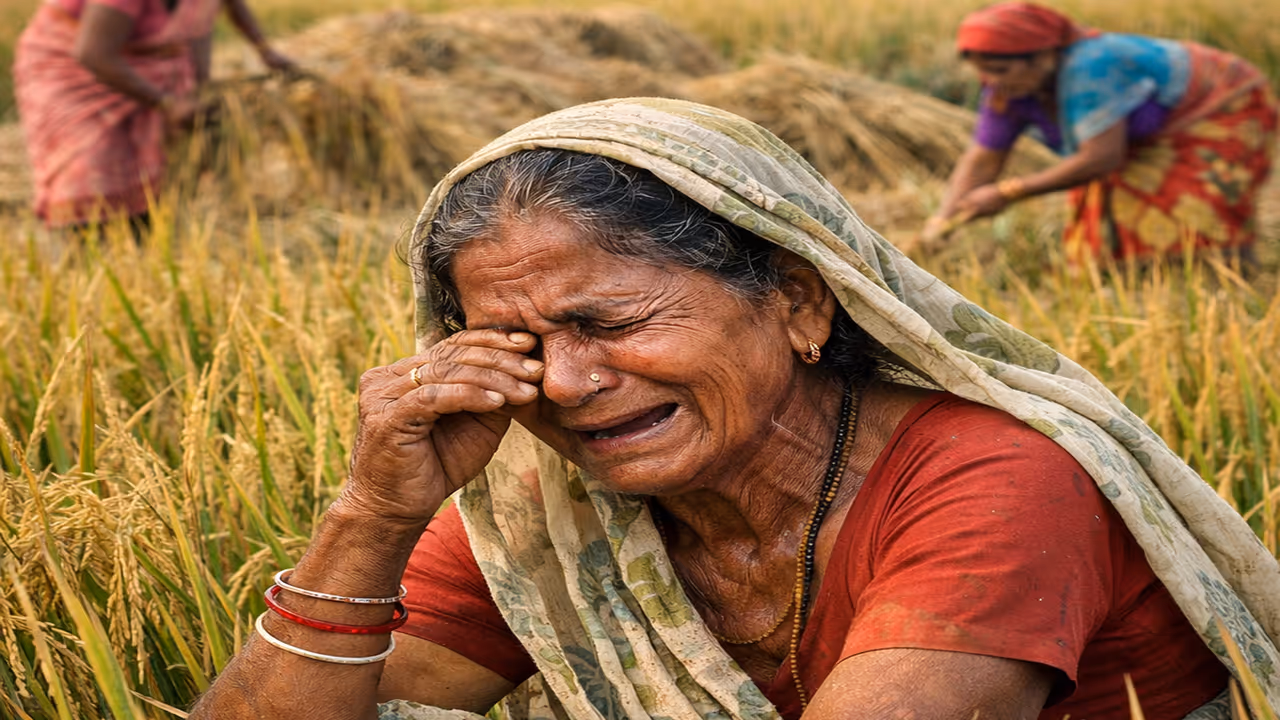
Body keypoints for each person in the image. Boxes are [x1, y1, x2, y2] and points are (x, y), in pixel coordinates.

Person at [190, 98, 1280, 720]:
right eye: (518, 346)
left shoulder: (991, 481)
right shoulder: (546, 514)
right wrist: (370, 517)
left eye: (611, 324)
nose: (563, 385)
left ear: (796, 301)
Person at [921, 2, 1278, 264]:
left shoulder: (1092, 67)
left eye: (1000, 69)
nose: (992, 82)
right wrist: (939, 223)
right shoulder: (1004, 92)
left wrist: (1008, 192)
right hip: (1137, 136)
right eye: (982, 73)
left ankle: (1216, 274)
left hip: (1218, 107)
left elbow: (1101, 158)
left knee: (1190, 207)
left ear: (1043, 56)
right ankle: (1134, 275)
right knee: (1103, 223)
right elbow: (983, 159)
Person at [12, 0, 294, 231]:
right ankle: (86, 240)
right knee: (94, 160)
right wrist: (166, 103)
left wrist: (265, 51)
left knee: (156, 154)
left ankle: (144, 227)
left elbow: (229, 6)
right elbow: (93, 53)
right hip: (71, 66)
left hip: (147, 55)